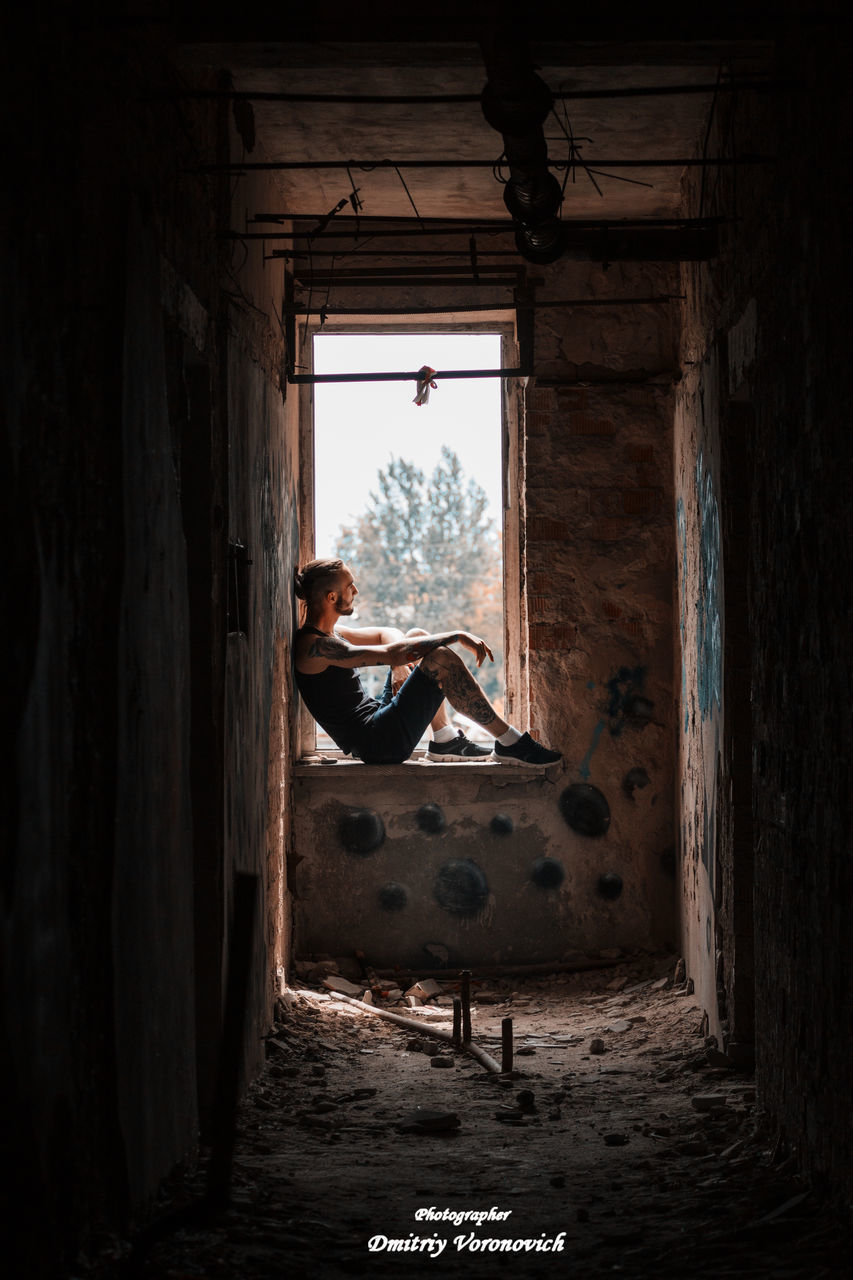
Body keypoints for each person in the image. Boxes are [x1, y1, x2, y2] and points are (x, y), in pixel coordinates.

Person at [293, 557, 562, 767]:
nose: (356, 590)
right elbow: (391, 652)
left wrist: (398, 667)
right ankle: (510, 742)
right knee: (440, 658)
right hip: (378, 744)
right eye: (349, 586)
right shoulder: (317, 647)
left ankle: (445, 740)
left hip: (378, 724)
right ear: (331, 598)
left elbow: (387, 634)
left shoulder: (331, 633)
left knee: (416, 636)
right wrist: (456, 636)